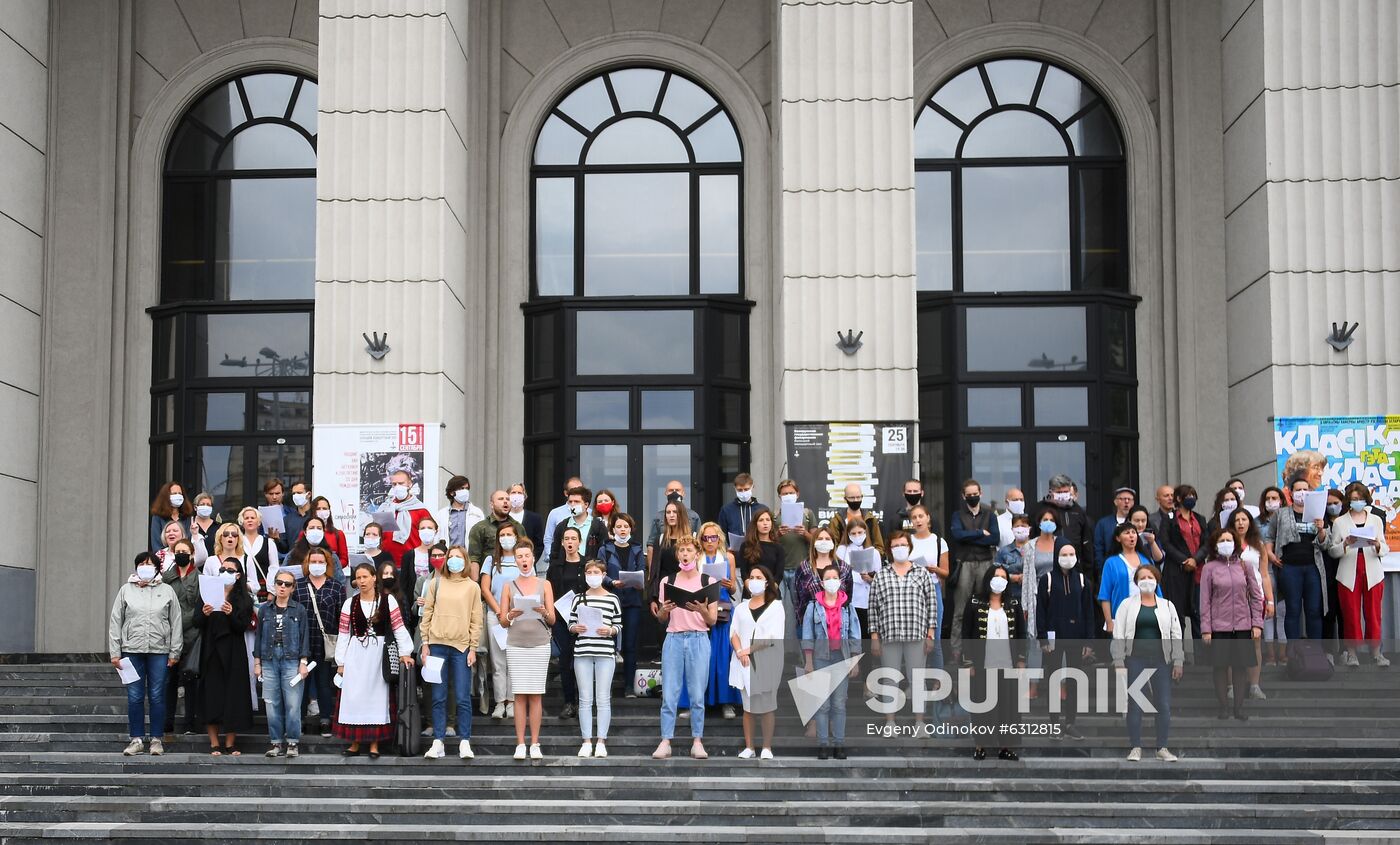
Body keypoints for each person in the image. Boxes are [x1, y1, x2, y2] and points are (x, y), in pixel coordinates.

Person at [334, 562, 416, 758]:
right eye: (358, 578)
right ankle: (354, 743)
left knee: (377, 698)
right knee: (354, 697)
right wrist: (341, 662)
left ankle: (374, 745)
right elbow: (343, 633)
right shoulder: (350, 603)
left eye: (365, 577)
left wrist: (406, 651)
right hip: (356, 655)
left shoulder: (388, 601)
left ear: (373, 578)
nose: (361, 581)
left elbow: (398, 627)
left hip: (379, 655)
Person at [108, 552, 182, 756]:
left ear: (158, 568)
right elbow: (116, 621)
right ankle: (136, 739)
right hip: (131, 651)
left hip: (160, 651)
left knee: (158, 696)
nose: (145, 567)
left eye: (150, 564)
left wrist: (175, 651)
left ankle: (156, 739)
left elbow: (176, 622)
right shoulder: (126, 590)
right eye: (141, 564)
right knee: (134, 696)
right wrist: (115, 652)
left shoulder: (167, 590)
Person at [652, 535, 719, 760]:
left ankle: (697, 740)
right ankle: (665, 740)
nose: (685, 554)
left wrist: (700, 609)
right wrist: (665, 609)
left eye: (689, 550)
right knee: (669, 693)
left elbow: (712, 620)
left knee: (697, 693)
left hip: (699, 639)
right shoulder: (667, 581)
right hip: (674, 638)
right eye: (681, 551)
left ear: (697, 553)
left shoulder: (707, 581)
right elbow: (662, 618)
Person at [1111, 564, 1183, 762]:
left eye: (1150, 577)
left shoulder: (1167, 605)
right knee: (1135, 704)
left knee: (1163, 704)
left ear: (1157, 580)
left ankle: (1162, 747)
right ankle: (1135, 747)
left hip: (1161, 661)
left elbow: (1176, 634)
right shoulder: (1127, 604)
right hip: (1135, 659)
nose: (1146, 581)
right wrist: (1118, 659)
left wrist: (1178, 660)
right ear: (1136, 582)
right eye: (1142, 577)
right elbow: (1118, 634)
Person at [419, 544, 483, 760]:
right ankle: (438, 741)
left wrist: (473, 647)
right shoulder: (436, 584)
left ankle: (465, 741)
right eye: (451, 557)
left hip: (462, 648)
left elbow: (476, 619)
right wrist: (425, 644)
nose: (454, 560)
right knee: (438, 696)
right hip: (436, 646)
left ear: (465, 561)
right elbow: (426, 615)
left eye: (459, 557)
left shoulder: (472, 587)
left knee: (463, 696)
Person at [867, 532, 938, 726]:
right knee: (890, 680)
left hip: (916, 634)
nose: (900, 548)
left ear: (910, 547)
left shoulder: (921, 573)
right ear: (890, 550)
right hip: (889, 635)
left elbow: (932, 604)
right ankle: (890, 722)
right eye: (896, 545)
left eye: (903, 545)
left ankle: (920, 723)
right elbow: (873, 607)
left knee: (917, 680)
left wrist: (930, 633)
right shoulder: (881, 575)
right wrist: (874, 636)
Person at [960, 564, 1026, 760]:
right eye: (996, 576)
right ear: (988, 578)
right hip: (982, 664)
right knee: (981, 706)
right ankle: (981, 745)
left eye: (1003, 576)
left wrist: (1021, 660)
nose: (999, 579)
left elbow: (1021, 633)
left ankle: (1006, 746)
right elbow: (966, 634)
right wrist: (968, 662)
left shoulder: (1013, 603)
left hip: (1008, 663)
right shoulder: (974, 602)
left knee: (1008, 707)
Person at [1199, 528, 1264, 721]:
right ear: (1215, 544)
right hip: (1219, 626)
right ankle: (1224, 707)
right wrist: (1206, 628)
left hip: (1243, 625)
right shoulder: (1209, 568)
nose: (1226, 543)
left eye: (1229, 539)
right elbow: (1205, 600)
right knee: (1220, 667)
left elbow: (1255, 595)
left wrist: (1257, 623)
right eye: (1222, 540)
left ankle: (1238, 708)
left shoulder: (1244, 566)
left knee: (1240, 667)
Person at [499, 538, 555, 760]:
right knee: (519, 694)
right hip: (516, 643)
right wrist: (510, 615)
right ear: (515, 560)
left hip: (540, 643)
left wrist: (543, 611)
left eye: (527, 556)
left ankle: (535, 742)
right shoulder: (508, 585)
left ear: (533, 558)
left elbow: (552, 619)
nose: (524, 560)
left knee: (536, 695)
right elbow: (503, 620)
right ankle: (520, 743)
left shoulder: (545, 584)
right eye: (519, 556)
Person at [800, 562, 862, 758]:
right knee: (822, 703)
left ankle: (839, 744)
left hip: (841, 658)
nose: (831, 581)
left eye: (835, 578)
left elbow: (854, 635)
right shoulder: (813, 606)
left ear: (841, 580)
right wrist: (808, 662)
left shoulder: (848, 607)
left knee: (839, 703)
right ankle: (823, 744)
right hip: (820, 658)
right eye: (828, 578)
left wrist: (856, 660)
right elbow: (808, 635)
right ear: (821, 581)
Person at [1326, 482, 1391, 667]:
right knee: (1350, 614)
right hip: (1348, 571)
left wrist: (1378, 545)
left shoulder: (1376, 520)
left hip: (1372, 570)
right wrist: (1345, 543)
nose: (1357, 502)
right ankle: (1352, 654)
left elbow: (1384, 547)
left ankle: (1377, 653)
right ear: (1348, 500)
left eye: (1360, 499)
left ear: (1366, 499)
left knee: (1373, 613)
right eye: (1353, 499)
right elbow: (1332, 551)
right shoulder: (1340, 522)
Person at [195, 556, 254, 756]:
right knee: (212, 695)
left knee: (233, 696)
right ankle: (214, 743)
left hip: (234, 651)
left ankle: (230, 743)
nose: (225, 573)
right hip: (211, 650)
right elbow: (196, 622)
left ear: (238, 575)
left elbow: (243, 626)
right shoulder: (207, 593)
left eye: (230, 570)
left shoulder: (244, 598)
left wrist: (231, 614)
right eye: (222, 569)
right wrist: (204, 613)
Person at [1036, 539, 1095, 739]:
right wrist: (1042, 638)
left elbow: (1089, 611)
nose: (1068, 558)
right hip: (1053, 636)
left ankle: (1070, 722)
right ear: (1056, 556)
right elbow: (1041, 610)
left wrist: (1089, 640)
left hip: (1076, 636)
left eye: (1071, 554)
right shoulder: (1047, 579)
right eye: (1064, 554)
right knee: (1053, 678)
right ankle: (1054, 722)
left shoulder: (1082, 580)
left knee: (1073, 680)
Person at [567, 560, 623, 758]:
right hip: (583, 650)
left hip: (605, 651)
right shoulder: (578, 599)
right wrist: (575, 628)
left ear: (603, 574)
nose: (592, 575)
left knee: (603, 698)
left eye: (596, 572)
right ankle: (586, 741)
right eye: (589, 572)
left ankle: (601, 741)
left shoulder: (613, 599)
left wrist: (610, 630)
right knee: (584, 698)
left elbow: (618, 625)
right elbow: (571, 623)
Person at [1265, 474, 1330, 643]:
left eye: (1305, 490)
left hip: (1313, 567)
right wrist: (1270, 554)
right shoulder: (1280, 513)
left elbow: (1325, 544)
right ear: (1291, 493)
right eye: (1298, 490)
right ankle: (1293, 653)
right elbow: (1269, 536)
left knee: (1314, 609)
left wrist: (1321, 529)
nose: (1302, 493)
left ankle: (1315, 652)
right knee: (1292, 609)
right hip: (1289, 567)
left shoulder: (1318, 513)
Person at [253, 570, 311, 757]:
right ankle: (276, 742)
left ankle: (293, 743)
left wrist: (303, 662)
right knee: (271, 703)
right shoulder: (264, 609)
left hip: (291, 658)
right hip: (269, 658)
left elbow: (304, 637)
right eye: (279, 583)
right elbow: (259, 636)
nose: (282, 587)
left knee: (293, 704)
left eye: (287, 584)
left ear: (293, 588)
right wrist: (257, 662)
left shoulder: (299, 609)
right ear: (275, 585)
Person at [730, 564, 785, 760]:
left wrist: (749, 650)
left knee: (767, 705)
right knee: (748, 707)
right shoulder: (741, 607)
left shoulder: (776, 607)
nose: (753, 580)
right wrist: (739, 652)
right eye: (751, 577)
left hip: (767, 661)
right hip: (744, 662)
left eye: (758, 577)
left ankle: (767, 747)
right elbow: (734, 633)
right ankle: (749, 747)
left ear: (767, 582)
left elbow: (774, 636)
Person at [686, 522, 740, 719]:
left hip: (723, 608)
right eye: (706, 538)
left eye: (713, 537)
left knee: (723, 657)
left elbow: (734, 588)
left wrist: (729, 584)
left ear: (719, 539)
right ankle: (695, 702)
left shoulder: (729, 557)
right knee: (698, 658)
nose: (710, 542)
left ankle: (726, 702)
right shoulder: (696, 557)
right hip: (700, 608)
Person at [294, 546, 346, 738]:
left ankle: (325, 720)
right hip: (302, 643)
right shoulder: (298, 586)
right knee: (302, 684)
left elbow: (342, 617)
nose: (317, 565)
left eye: (320, 562)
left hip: (326, 643)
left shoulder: (336, 587)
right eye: (313, 562)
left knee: (324, 684)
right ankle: (298, 721)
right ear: (307, 564)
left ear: (327, 564)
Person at [949, 479, 1002, 659]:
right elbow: (957, 535)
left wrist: (969, 537)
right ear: (964, 496)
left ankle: (984, 648)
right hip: (964, 563)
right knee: (960, 610)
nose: (973, 497)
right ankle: (956, 650)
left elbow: (994, 538)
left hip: (986, 564)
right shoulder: (957, 515)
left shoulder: (990, 515)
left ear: (981, 493)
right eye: (969, 495)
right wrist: (980, 533)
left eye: (975, 494)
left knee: (985, 607)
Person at [598, 513, 647, 695]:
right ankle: (607, 687)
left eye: (626, 526)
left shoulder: (637, 548)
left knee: (630, 645)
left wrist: (637, 580)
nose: (623, 530)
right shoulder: (605, 549)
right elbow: (600, 572)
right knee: (608, 644)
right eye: (619, 526)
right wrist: (611, 582)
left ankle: (628, 687)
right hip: (611, 600)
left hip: (632, 600)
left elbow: (642, 571)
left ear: (631, 529)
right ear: (612, 529)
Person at [1227, 508, 1274, 698]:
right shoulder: (1225, 544)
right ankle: (1231, 686)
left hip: (1255, 599)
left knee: (1254, 642)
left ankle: (1254, 685)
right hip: (1230, 599)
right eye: (1236, 519)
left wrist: (1270, 600)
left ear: (1249, 522)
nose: (1240, 523)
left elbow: (1264, 575)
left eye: (1244, 519)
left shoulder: (1258, 545)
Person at [480, 522, 522, 719]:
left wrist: (512, 613)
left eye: (509, 534)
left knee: (514, 660)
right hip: (495, 616)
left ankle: (512, 702)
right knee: (497, 662)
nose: (506, 538)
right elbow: (485, 588)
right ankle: (499, 703)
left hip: (517, 616)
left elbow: (526, 586)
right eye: (502, 534)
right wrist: (498, 611)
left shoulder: (521, 558)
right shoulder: (490, 560)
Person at [160, 539, 202, 737]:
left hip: (192, 636)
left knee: (191, 680)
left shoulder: (200, 578)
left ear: (192, 554)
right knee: (169, 681)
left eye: (185, 551)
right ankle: (167, 721)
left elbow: (199, 607)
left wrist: (183, 622)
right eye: (178, 551)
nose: (181, 554)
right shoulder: (166, 578)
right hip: (169, 637)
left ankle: (191, 722)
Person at [547, 526, 589, 719]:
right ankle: (569, 702)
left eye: (573, 538)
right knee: (565, 659)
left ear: (580, 541)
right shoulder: (555, 566)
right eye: (566, 539)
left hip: (585, 618)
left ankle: (585, 702)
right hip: (562, 619)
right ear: (562, 542)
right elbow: (550, 592)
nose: (570, 542)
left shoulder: (588, 564)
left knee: (583, 659)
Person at [1160, 485, 1205, 637]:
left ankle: (1201, 656)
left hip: (1198, 571)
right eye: (1188, 495)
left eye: (1194, 495)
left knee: (1198, 613)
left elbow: (1206, 544)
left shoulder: (1200, 519)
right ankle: (1178, 656)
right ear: (1179, 498)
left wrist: (1195, 559)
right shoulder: (1169, 519)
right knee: (1177, 614)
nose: (1191, 498)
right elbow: (1166, 543)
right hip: (1176, 572)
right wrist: (1185, 561)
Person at [792, 526, 852, 632]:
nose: (823, 542)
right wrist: (801, 623)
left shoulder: (843, 568)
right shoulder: (803, 568)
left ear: (833, 543)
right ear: (814, 543)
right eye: (820, 539)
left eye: (827, 539)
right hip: (809, 626)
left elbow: (848, 598)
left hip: (838, 626)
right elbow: (797, 599)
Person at [907, 505, 950, 652]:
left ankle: (936, 674)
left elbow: (946, 572)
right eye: (914, 517)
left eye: (921, 516)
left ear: (928, 518)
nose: (918, 520)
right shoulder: (907, 541)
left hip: (932, 588)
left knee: (934, 640)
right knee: (914, 640)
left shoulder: (939, 542)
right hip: (911, 591)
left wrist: (935, 569)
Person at [1099, 522, 1155, 632]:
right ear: (1118, 538)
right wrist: (1109, 621)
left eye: (1134, 532)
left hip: (1147, 614)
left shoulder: (1147, 559)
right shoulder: (1111, 562)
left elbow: (1157, 589)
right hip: (1122, 616)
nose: (1131, 535)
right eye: (1127, 533)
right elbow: (1105, 595)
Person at [839, 518, 883, 647]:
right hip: (849, 599)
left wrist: (870, 579)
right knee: (850, 636)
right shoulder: (842, 550)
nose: (857, 536)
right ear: (848, 534)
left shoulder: (874, 552)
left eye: (860, 532)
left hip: (867, 600)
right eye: (853, 533)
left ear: (866, 532)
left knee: (865, 637)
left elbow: (879, 577)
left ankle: (865, 665)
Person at [774, 479, 819, 601]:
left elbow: (817, 541)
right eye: (784, 494)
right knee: (777, 604)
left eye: (791, 493)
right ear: (779, 496)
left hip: (801, 567)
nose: (788, 496)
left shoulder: (808, 514)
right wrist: (778, 534)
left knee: (800, 604)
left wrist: (804, 533)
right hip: (779, 568)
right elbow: (768, 542)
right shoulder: (774, 516)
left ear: (797, 494)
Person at [1257, 486, 1288, 664]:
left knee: (1282, 612)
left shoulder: (1287, 518)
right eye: (1268, 498)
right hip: (1265, 570)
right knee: (1268, 612)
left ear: (1282, 501)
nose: (1271, 501)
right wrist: (1268, 554)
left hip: (1284, 569)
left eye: (1275, 498)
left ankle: (1283, 654)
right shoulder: (1256, 522)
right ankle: (1270, 654)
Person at [379, 469, 432, 566]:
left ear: (409, 484)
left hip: (412, 563)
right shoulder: (386, 508)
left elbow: (430, 539)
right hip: (388, 565)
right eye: (394, 484)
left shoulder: (421, 510)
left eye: (401, 483)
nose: (397, 487)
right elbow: (381, 536)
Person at [1039, 474, 1092, 569]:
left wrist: (1087, 569)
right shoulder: (1040, 509)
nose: (1063, 495)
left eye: (1066, 492)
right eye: (1059, 492)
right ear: (1051, 492)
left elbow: (1086, 541)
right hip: (1048, 563)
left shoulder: (1078, 510)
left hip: (1074, 563)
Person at [549, 486, 608, 566]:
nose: (573, 505)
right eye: (570, 502)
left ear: (586, 504)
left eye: (577, 502)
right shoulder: (562, 526)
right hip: (566, 570)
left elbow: (604, 552)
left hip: (590, 571)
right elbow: (555, 552)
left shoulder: (598, 526)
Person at [469, 490, 522, 572]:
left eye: (507, 499)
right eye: (501, 499)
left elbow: (524, 551)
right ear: (492, 504)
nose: (505, 502)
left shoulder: (518, 527)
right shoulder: (480, 528)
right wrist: (475, 583)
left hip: (514, 576)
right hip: (488, 576)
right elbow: (474, 558)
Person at [648, 499, 692, 596]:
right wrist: (652, 598)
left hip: (685, 591)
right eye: (668, 512)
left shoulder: (690, 541)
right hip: (664, 591)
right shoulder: (660, 539)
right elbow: (654, 572)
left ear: (681, 515)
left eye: (675, 512)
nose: (671, 515)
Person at [826, 482, 886, 551]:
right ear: (845, 499)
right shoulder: (837, 521)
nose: (855, 500)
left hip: (868, 559)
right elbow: (833, 545)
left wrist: (873, 558)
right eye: (852, 498)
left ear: (862, 497)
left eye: (858, 497)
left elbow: (879, 545)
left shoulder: (871, 519)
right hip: (844, 559)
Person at [1093, 487, 1137, 577]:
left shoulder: (1137, 522)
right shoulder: (1103, 523)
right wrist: (1102, 569)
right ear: (1115, 502)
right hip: (1110, 570)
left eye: (1129, 499)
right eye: (1123, 499)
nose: (1127, 502)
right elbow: (1098, 548)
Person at [434, 475, 485, 550]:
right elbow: (437, 538)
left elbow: (482, 537)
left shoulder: (477, 513)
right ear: (452, 492)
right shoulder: (441, 514)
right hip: (448, 557)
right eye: (461, 488)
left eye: (467, 488)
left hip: (469, 558)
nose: (465, 491)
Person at [646, 480, 702, 548]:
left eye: (677, 490)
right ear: (666, 493)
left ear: (683, 493)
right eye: (671, 490)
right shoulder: (658, 517)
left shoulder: (694, 516)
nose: (674, 493)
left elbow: (699, 542)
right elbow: (651, 544)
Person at [236, 506, 277, 598]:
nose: (249, 520)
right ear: (242, 522)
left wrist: (271, 591)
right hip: (243, 588)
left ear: (259, 522)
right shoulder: (237, 543)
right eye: (246, 518)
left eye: (253, 518)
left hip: (264, 588)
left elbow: (274, 567)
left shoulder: (269, 543)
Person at [285, 516, 342, 581]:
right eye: (311, 528)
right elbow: (282, 575)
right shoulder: (292, 555)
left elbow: (340, 581)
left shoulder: (332, 557)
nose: (315, 531)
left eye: (319, 528)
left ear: (323, 532)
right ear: (305, 532)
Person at [543, 475, 584, 566]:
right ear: (566, 493)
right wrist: (551, 558)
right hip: (561, 563)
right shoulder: (555, 513)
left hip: (584, 564)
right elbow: (549, 538)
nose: (577, 493)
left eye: (580, 490)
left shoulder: (590, 513)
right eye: (573, 490)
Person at [717, 473, 766, 541]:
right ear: (735, 488)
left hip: (758, 549)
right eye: (740, 490)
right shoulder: (726, 510)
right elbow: (721, 534)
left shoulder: (762, 509)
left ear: (752, 487)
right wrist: (727, 549)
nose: (743, 492)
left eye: (746, 489)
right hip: (734, 550)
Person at [149, 482, 193, 555]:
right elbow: (156, 544)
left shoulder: (187, 517)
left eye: (180, 493)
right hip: (164, 560)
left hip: (185, 558)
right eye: (174, 493)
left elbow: (190, 540)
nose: (178, 496)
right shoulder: (158, 517)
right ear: (166, 496)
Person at [309, 496, 350, 565]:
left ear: (329, 511)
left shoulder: (338, 534)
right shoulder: (305, 533)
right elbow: (300, 556)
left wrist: (331, 567)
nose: (322, 511)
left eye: (324, 508)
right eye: (318, 509)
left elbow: (344, 559)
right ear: (313, 511)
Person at [506, 482, 546, 551]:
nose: (516, 495)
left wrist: (530, 558)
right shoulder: (503, 517)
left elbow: (539, 545)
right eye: (513, 492)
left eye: (519, 493)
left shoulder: (535, 519)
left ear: (524, 496)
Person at [283, 480, 313, 557]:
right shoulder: (287, 519)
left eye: (299, 493)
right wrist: (276, 539)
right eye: (294, 493)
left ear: (308, 494)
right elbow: (284, 548)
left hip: (313, 560)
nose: (296, 496)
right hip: (293, 561)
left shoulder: (315, 517)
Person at [189, 492, 219, 558]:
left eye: (208, 505)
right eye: (202, 504)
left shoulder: (218, 527)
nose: (205, 507)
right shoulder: (188, 526)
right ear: (195, 507)